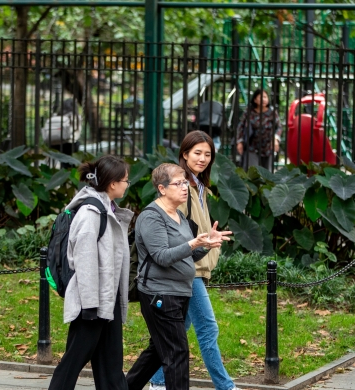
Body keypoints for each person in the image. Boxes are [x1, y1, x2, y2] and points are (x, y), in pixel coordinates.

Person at [147, 131, 240, 390]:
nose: (202, 158)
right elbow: (174, 227)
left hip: (194, 267)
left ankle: (156, 381)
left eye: (208, 154)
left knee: (175, 333)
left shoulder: (199, 186)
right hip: (189, 270)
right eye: (197, 153)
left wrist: (211, 239)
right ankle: (226, 387)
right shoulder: (182, 186)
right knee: (208, 329)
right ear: (184, 154)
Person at [126, 163, 232, 390]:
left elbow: (185, 256)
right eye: (178, 183)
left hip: (179, 292)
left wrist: (206, 245)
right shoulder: (151, 217)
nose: (185, 187)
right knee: (177, 353)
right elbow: (162, 256)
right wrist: (193, 242)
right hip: (159, 294)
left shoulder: (178, 216)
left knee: (158, 351)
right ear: (162, 189)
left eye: (185, 182)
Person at [47, 155, 134, 390]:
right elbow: (84, 262)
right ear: (113, 183)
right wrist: (89, 306)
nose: (127, 184)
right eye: (126, 180)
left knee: (111, 367)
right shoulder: (90, 213)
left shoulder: (108, 209)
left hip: (107, 299)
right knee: (73, 363)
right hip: (91, 303)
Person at [236, 89, 281, 170]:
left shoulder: (272, 112)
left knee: (267, 174)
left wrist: (276, 138)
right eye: (260, 97)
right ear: (255, 100)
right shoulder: (249, 111)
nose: (263, 99)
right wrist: (239, 141)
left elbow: (279, 127)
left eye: (265, 97)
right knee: (253, 172)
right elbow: (240, 126)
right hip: (252, 146)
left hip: (267, 147)